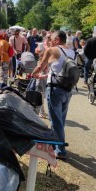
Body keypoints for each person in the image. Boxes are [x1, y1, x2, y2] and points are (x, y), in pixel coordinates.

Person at [32, 30, 75, 160]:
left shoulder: (52, 50)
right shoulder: (71, 51)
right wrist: (46, 74)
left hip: (55, 89)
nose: (49, 41)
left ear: (57, 40)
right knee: (60, 119)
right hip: (67, 88)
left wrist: (33, 74)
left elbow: (41, 65)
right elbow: (61, 69)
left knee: (56, 121)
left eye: (51, 38)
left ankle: (60, 150)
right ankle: (53, 144)